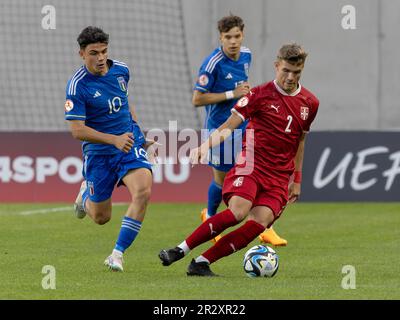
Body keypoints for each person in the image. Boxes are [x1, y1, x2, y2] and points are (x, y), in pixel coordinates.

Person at [159, 43, 319, 276]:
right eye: (286, 70)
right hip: (251, 166)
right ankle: (180, 250)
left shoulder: (310, 103)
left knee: (259, 223)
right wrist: (205, 146)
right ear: (276, 66)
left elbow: (300, 142)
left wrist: (297, 179)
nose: (290, 77)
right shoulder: (258, 94)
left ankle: (201, 263)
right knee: (238, 212)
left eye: (296, 72)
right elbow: (228, 126)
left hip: (279, 176)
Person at [65, 26, 153, 272]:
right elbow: (77, 130)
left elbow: (125, 103)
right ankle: (85, 196)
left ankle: (117, 254)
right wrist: (113, 139)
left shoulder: (122, 71)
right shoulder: (77, 86)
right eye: (94, 53)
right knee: (102, 218)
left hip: (128, 144)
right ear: (81, 54)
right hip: (99, 154)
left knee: (143, 191)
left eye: (104, 51)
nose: (101, 58)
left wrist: (140, 134)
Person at [192, 14, 287, 245]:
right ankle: (210, 216)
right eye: (228, 37)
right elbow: (197, 99)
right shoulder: (212, 64)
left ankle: (265, 227)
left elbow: (241, 85)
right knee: (221, 181)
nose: (233, 41)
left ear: (242, 35)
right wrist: (231, 94)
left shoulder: (246, 55)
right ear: (220, 38)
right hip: (220, 129)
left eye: (237, 36)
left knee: (255, 174)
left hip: (244, 124)